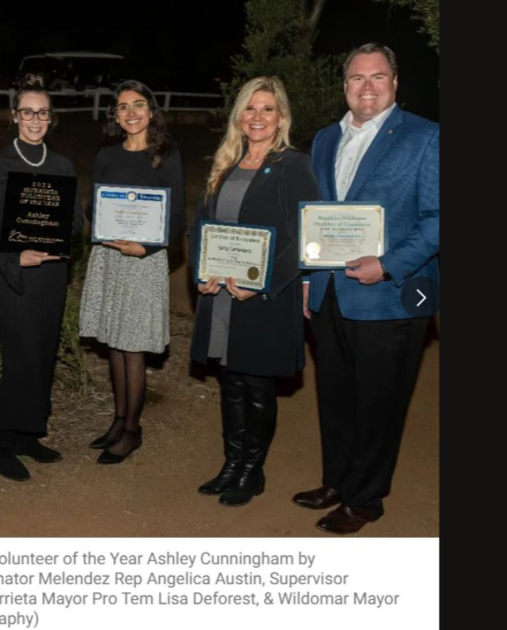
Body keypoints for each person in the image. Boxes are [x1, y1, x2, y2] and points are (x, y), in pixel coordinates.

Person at [296, 43, 439, 534]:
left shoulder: (425, 137)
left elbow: (438, 218)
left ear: (395, 83)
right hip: (331, 291)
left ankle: (365, 498)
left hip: (389, 293)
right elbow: (315, 217)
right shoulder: (323, 140)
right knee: (335, 394)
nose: (368, 87)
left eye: (378, 77)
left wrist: (389, 264)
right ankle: (337, 481)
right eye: (358, 78)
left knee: (379, 400)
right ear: (345, 86)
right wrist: (308, 280)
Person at [190, 77, 320, 507]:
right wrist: (201, 273)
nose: (258, 117)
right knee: (230, 381)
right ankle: (231, 463)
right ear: (239, 117)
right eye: (251, 108)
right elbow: (201, 227)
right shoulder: (226, 163)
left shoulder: (292, 164)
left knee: (257, 386)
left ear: (281, 117)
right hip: (222, 296)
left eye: (268, 109)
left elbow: (304, 236)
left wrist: (260, 283)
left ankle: (253, 470)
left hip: (263, 298)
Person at [0, 74, 83, 481]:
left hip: (52, 275)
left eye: (42, 112)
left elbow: (72, 221)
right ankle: (0, 442)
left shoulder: (62, 165)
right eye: (27, 112)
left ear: (50, 118)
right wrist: (16, 255)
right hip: (16, 276)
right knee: (21, 356)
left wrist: (63, 230)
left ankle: (28, 435)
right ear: (14, 116)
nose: (35, 119)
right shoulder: (0, 165)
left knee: (42, 357)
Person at [79, 80, 186, 464]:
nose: (131, 112)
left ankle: (133, 431)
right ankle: (119, 419)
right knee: (114, 343)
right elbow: (94, 205)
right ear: (115, 115)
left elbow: (176, 219)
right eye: (123, 107)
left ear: (151, 110)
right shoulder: (107, 152)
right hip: (110, 256)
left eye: (139, 104)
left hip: (143, 259)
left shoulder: (165, 154)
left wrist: (146, 245)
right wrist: (102, 219)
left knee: (133, 347)